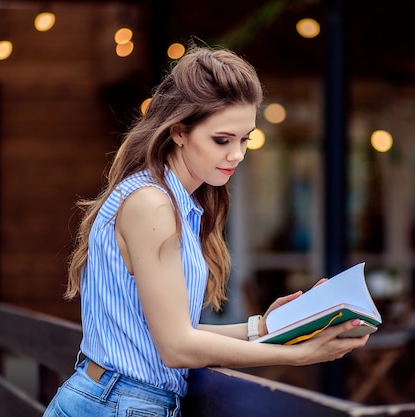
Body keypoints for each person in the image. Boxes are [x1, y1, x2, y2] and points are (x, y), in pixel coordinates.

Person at [43, 45, 369, 417]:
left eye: (245, 139)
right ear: (179, 132)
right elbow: (177, 348)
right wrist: (295, 355)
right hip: (120, 404)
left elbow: (170, 337)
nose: (238, 154)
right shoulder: (153, 204)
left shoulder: (170, 200)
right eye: (222, 140)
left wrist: (262, 326)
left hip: (116, 400)